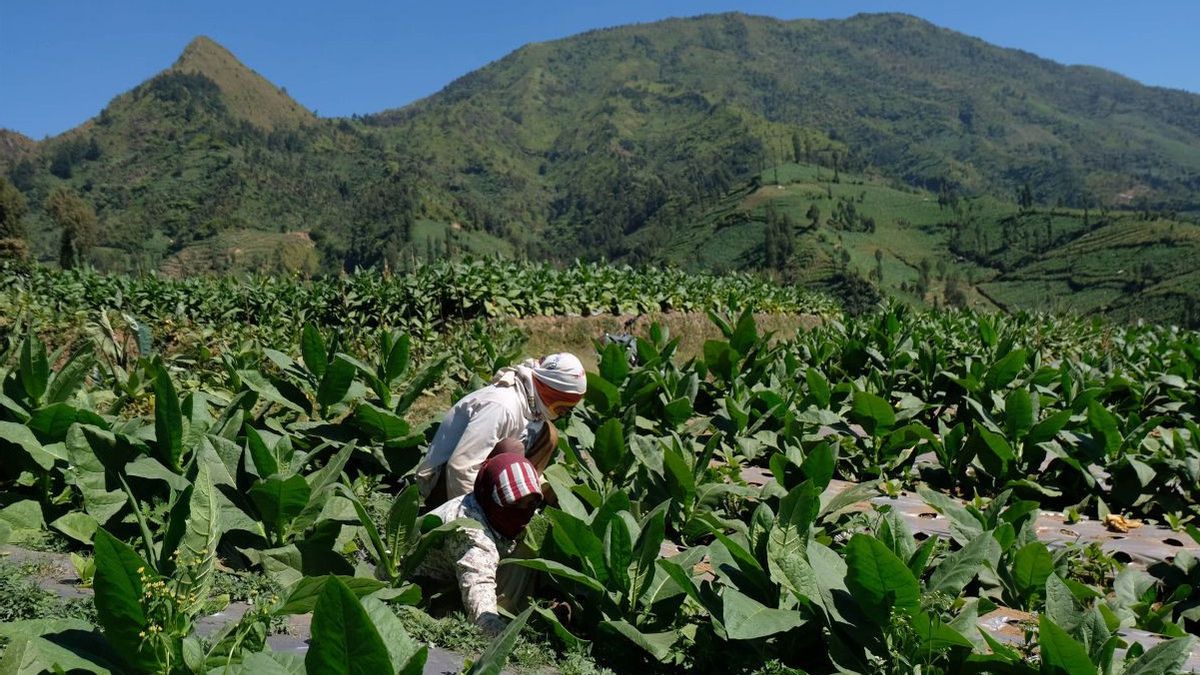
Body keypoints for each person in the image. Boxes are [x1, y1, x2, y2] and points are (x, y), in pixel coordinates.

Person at [414, 353, 586, 506]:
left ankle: (523, 496)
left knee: (549, 434)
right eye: (563, 405)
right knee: (511, 448)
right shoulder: (501, 406)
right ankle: (501, 508)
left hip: (482, 476)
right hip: (444, 484)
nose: (566, 412)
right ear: (549, 389)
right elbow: (460, 468)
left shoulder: (533, 403)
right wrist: (474, 521)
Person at [414, 450, 543, 635]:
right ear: (490, 495)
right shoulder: (472, 537)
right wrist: (499, 634)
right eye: (514, 505)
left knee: (527, 545)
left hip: (454, 575)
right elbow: (480, 595)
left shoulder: (484, 502)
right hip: (420, 588)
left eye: (531, 504)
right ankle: (519, 619)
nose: (524, 513)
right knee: (522, 554)